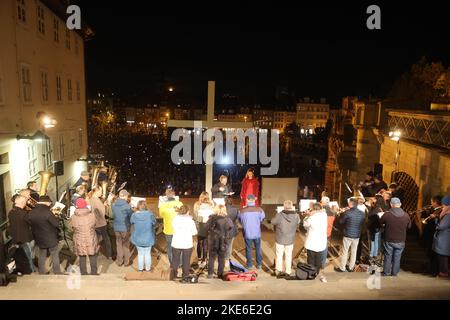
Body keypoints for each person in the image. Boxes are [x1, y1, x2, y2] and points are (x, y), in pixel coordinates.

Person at [27, 195, 62, 275]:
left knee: (42, 255)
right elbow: (56, 224)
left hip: (39, 237)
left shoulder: (31, 212)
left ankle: (41, 272)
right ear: (46, 202)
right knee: (54, 255)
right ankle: (57, 272)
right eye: (49, 203)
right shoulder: (47, 212)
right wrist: (56, 216)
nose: (50, 204)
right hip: (51, 238)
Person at [379, 197, 411, 276]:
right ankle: (394, 273)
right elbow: (409, 226)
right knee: (397, 257)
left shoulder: (387, 214)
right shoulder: (406, 215)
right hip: (401, 240)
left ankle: (386, 272)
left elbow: (380, 223)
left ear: (391, 205)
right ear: (400, 204)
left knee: (388, 256)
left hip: (389, 239)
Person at [334, 198, 365, 272]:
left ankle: (342, 268)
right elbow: (362, 223)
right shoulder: (362, 213)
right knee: (354, 251)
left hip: (348, 234)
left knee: (345, 251)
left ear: (350, 204)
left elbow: (341, 222)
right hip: (357, 235)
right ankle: (351, 267)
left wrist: (341, 214)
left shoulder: (347, 212)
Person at [271, 200, 300, 277]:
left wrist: (276, 214)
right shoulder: (296, 215)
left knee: (279, 255)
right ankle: (288, 271)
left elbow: (272, 222)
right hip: (290, 239)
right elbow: (298, 222)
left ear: (284, 206)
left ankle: (279, 271)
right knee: (289, 255)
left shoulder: (279, 215)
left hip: (280, 238)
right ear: (291, 206)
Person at [70, 198, 99, 275]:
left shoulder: (73, 216)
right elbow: (95, 225)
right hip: (90, 237)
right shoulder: (92, 215)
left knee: (82, 256)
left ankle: (83, 273)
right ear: (86, 205)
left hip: (79, 238)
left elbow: (72, 227)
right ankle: (94, 272)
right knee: (92, 255)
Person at [205, 205, 233, 279]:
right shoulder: (227, 219)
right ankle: (220, 274)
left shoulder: (212, 218)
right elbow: (230, 228)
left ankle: (210, 274)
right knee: (221, 258)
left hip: (213, 240)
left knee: (211, 257)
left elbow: (206, 227)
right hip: (223, 240)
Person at [8, 195, 35, 273]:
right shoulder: (23, 213)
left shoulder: (11, 212)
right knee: (28, 257)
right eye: (25, 202)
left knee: (19, 257)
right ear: (22, 202)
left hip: (15, 238)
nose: (25, 204)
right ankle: (31, 271)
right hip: (25, 239)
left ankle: (21, 270)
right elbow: (31, 223)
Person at [171, 205, 198, 283]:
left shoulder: (175, 219)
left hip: (176, 242)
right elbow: (194, 232)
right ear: (187, 211)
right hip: (187, 243)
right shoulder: (191, 221)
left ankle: (173, 275)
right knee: (186, 261)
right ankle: (185, 276)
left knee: (175, 260)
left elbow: (173, 228)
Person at [238, 194, 265, 269]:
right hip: (257, 233)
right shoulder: (260, 210)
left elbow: (240, 220)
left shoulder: (242, 211)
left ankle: (249, 265)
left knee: (248, 248)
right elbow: (262, 219)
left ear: (247, 200)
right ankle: (259, 264)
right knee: (258, 248)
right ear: (254, 200)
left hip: (247, 233)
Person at [303, 203, 328, 282]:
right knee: (318, 259)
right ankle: (316, 272)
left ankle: (311, 273)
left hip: (312, 241)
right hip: (321, 241)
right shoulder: (324, 215)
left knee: (311, 259)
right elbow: (322, 211)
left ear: (313, 209)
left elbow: (305, 225)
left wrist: (307, 216)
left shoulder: (312, 217)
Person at [131, 200, 156, 272]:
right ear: (146, 206)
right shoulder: (150, 214)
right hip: (148, 238)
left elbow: (131, 221)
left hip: (138, 237)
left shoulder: (134, 215)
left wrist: (135, 212)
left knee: (140, 254)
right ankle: (148, 269)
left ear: (138, 206)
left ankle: (140, 269)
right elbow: (154, 222)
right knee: (147, 254)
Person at [159, 188, 183, 264]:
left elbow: (161, 215)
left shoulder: (163, 205)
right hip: (179, 229)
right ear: (174, 195)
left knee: (170, 247)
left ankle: (172, 262)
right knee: (179, 246)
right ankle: (180, 263)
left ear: (166, 195)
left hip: (168, 230)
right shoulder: (180, 204)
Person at [422, 195, 443, 275]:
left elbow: (437, 225)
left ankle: (434, 271)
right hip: (430, 236)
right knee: (430, 254)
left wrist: (435, 217)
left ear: (435, 202)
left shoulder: (440, 211)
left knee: (434, 255)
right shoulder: (434, 210)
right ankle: (432, 270)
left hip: (434, 236)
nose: (430, 203)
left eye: (431, 202)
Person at [89, 186, 112, 259]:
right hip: (101, 223)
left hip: (94, 223)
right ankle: (109, 254)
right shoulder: (96, 200)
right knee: (106, 239)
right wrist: (107, 204)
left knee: (96, 239)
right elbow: (102, 213)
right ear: (97, 191)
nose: (101, 193)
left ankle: (94, 254)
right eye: (101, 191)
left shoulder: (91, 199)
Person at [112, 189, 133, 267]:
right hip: (125, 228)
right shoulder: (127, 206)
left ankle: (119, 261)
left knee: (119, 244)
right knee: (126, 245)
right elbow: (131, 216)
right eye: (127, 195)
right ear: (124, 196)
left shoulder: (113, 205)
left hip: (116, 228)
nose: (127, 197)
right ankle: (126, 261)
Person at [193, 192, 214, 265]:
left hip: (200, 225)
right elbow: (213, 216)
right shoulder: (211, 205)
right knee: (205, 243)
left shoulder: (197, 204)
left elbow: (195, 217)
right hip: (208, 226)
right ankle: (204, 260)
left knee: (199, 242)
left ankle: (199, 259)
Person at [432, 196, 450, 278]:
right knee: (442, 256)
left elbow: (441, 226)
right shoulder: (446, 214)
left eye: (444, 205)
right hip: (443, 239)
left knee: (443, 257)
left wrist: (436, 219)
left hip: (444, 239)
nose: (443, 207)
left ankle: (444, 272)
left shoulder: (448, 215)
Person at [320, 196, 336, 268]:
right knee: (325, 247)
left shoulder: (321, 211)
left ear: (322, 202)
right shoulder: (333, 212)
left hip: (321, 231)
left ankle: (320, 262)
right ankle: (323, 262)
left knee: (319, 247)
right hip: (328, 231)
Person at [224, 197, 239, 268]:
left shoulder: (222, 209)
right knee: (229, 245)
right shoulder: (235, 209)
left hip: (223, 229)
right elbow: (237, 219)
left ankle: (222, 258)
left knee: (223, 244)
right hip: (232, 229)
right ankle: (226, 260)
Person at [367, 197, 382, 265]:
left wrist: (369, 207)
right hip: (377, 227)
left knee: (372, 242)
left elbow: (370, 216)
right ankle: (375, 254)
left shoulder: (374, 208)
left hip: (373, 227)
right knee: (376, 241)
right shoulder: (379, 208)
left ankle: (371, 255)